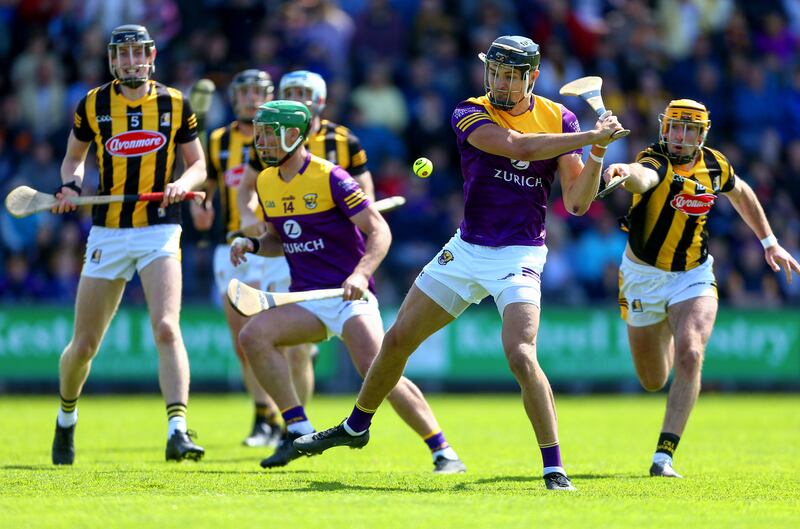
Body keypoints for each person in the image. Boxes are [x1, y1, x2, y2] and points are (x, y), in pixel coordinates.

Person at [294, 35, 624, 491]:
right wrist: (592, 135)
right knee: (396, 342)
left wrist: (600, 154)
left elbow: (579, 202)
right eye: (495, 71)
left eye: (511, 74)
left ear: (531, 77)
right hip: (466, 250)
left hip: (520, 253)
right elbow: (519, 148)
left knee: (521, 354)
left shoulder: (559, 117)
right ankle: (356, 426)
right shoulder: (469, 111)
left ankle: (553, 467)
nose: (500, 82)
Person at [230, 100, 466, 473]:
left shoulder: (331, 177)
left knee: (378, 369)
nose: (259, 142)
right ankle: (298, 430)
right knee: (253, 336)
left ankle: (442, 449)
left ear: (293, 135)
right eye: (258, 134)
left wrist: (359, 274)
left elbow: (379, 230)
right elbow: (279, 239)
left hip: (349, 298)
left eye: (267, 134)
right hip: (307, 298)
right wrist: (254, 244)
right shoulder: (265, 181)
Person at [601, 99, 800, 478]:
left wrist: (769, 241)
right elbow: (642, 176)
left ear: (702, 134)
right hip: (642, 275)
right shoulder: (654, 158)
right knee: (652, 379)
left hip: (692, 274)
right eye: (676, 127)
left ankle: (664, 456)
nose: (681, 136)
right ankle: (670, 331)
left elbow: (741, 193)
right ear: (665, 129)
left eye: (690, 130)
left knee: (691, 353)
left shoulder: (715, 164)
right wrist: (623, 170)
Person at [50, 24, 207, 464]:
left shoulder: (175, 103)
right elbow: (74, 159)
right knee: (83, 346)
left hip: (160, 227)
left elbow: (199, 167)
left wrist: (181, 182)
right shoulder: (93, 104)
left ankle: (177, 429)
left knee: (166, 326)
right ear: (111, 60)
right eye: (121, 55)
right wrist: (68, 188)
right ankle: (66, 419)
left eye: (137, 53)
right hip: (109, 231)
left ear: (152, 55)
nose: (129, 61)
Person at [234, 70, 377, 407]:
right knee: (265, 339)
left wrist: (359, 255)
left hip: (338, 260)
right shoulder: (270, 147)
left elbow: (367, 200)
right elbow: (254, 198)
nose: (299, 97)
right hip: (292, 257)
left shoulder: (343, 143)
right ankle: (290, 425)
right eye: (292, 91)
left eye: (305, 92)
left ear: (321, 100)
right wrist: (250, 233)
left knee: (371, 366)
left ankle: (438, 445)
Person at [189, 69, 284, 447]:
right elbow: (206, 187)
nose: (250, 99)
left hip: (276, 246)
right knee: (243, 338)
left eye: (258, 92)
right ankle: (264, 417)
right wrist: (201, 205)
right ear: (234, 99)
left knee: (278, 335)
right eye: (244, 92)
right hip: (231, 246)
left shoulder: (282, 135)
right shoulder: (216, 140)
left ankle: (284, 415)